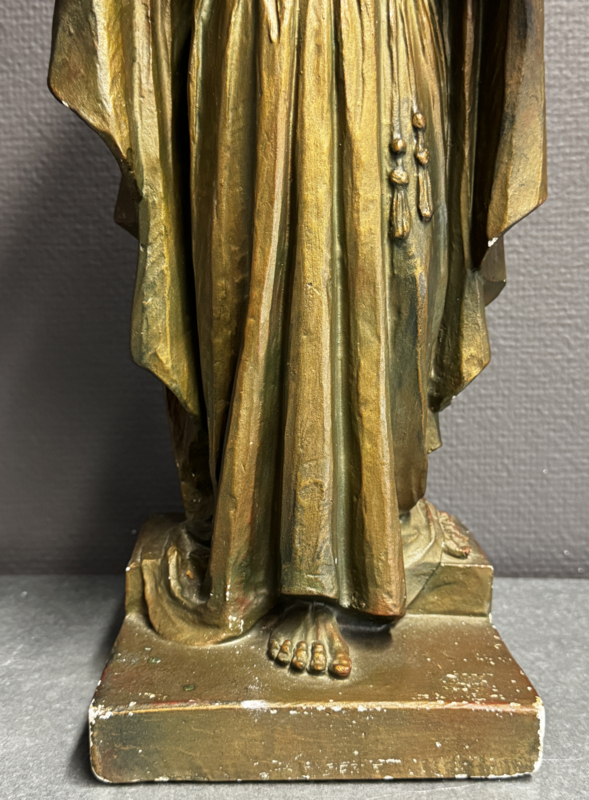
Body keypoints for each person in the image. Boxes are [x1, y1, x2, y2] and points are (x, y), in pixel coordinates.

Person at [49, 0, 546, 677]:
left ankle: (378, 530)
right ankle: (277, 565)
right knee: (252, 296)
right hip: (257, 42)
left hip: (385, 41)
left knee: (395, 294)